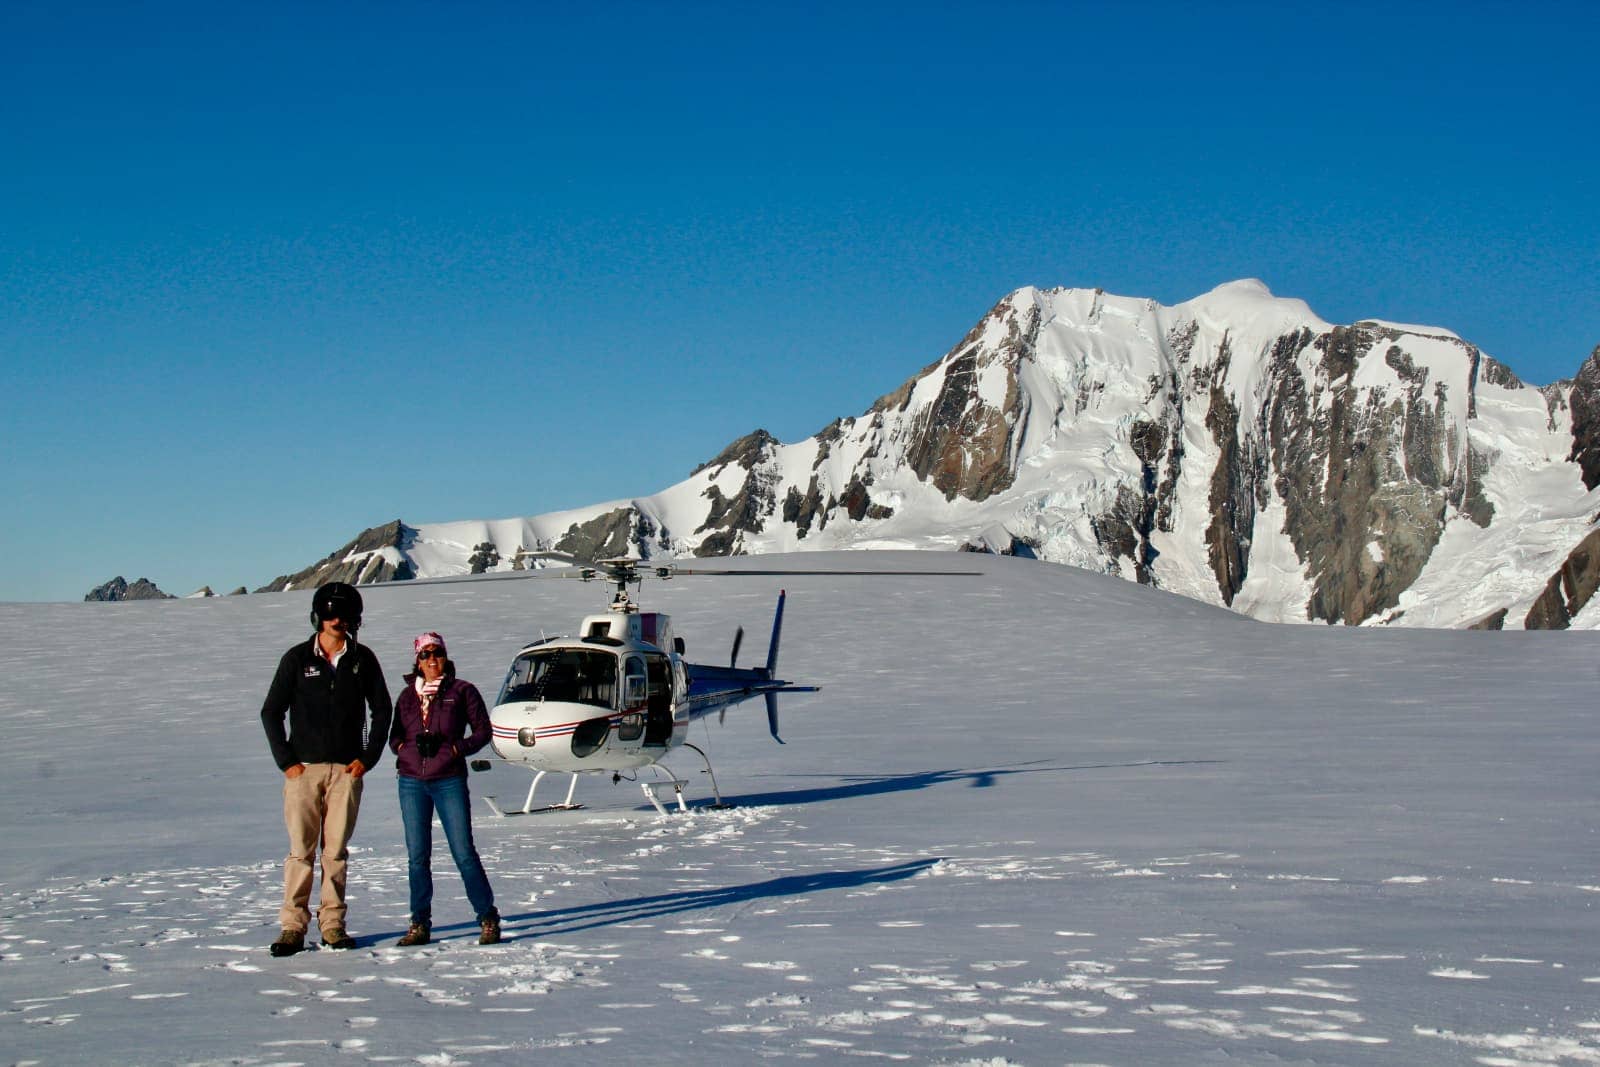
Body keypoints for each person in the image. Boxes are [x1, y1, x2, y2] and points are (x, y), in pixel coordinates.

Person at [260, 581, 392, 956]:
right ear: (319, 616)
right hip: (305, 771)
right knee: (301, 851)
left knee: (335, 852)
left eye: (346, 615)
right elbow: (271, 711)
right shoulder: (298, 658)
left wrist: (367, 759)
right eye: (332, 613)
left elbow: (382, 709)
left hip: (346, 772)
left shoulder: (362, 659)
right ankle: (292, 927)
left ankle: (333, 925)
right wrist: (287, 762)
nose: (338, 621)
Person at [389, 631, 501, 947]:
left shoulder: (462, 691)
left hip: (448, 778)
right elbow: (394, 733)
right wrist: (403, 749)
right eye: (425, 655)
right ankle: (419, 923)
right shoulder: (407, 696)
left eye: (436, 653)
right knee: (417, 856)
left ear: (445, 657)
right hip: (411, 780)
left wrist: (455, 749)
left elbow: (483, 732)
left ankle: (488, 917)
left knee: (463, 851)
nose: (431, 660)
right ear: (417, 660)